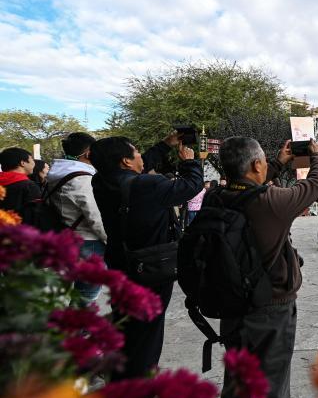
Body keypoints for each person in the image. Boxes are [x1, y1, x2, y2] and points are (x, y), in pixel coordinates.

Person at [215, 136, 318, 398]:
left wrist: (275, 163)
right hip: (271, 311)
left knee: (235, 388)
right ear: (255, 166)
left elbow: (251, 182)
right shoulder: (270, 202)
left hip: (232, 307)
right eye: (263, 161)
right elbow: (315, 184)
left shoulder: (216, 197)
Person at [90, 132, 203, 379]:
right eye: (137, 152)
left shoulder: (100, 181)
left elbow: (136, 170)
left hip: (120, 262)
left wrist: (164, 145)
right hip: (150, 268)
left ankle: (118, 378)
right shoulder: (147, 185)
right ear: (126, 161)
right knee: (147, 336)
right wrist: (189, 162)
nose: (142, 155)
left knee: (126, 325)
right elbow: (191, 186)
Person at [46, 132, 107, 304]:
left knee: (80, 286)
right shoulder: (81, 179)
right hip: (89, 241)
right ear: (89, 153)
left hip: (70, 234)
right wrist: (110, 240)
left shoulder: (59, 173)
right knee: (88, 290)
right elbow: (95, 217)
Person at [0, 147, 42, 226]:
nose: (34, 163)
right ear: (22, 163)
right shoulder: (29, 186)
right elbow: (35, 218)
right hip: (19, 234)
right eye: (32, 159)